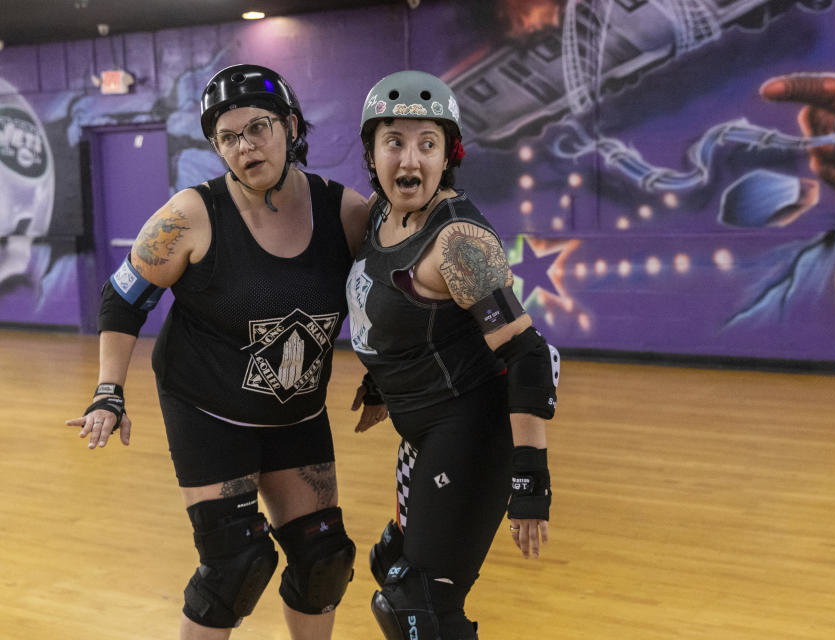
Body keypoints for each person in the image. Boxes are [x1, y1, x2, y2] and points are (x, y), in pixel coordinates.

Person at [66, 64, 386, 640]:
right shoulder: (190, 216)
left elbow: (384, 299)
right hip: (207, 408)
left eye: (258, 128)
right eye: (228, 137)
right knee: (235, 566)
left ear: (290, 126)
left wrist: (382, 376)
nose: (246, 146)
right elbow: (121, 298)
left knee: (324, 558)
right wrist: (108, 391)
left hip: (296, 412)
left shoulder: (346, 213)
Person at [346, 70, 560, 640]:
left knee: (417, 608)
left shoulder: (458, 241)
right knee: (396, 572)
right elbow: (402, 317)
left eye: (427, 143)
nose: (409, 159)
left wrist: (530, 478)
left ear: (449, 154)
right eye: (394, 141)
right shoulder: (380, 215)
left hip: (471, 429)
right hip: (424, 430)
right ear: (372, 152)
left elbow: (530, 355)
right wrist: (379, 384)